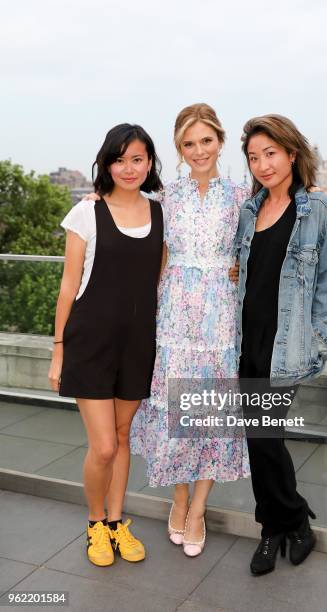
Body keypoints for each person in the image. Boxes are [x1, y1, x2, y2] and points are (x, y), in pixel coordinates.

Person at [130, 103, 250, 557]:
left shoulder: (242, 197)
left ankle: (198, 508)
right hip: (173, 315)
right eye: (188, 143)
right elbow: (134, 230)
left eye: (206, 140)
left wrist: (239, 268)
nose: (199, 150)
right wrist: (92, 200)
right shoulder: (165, 198)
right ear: (178, 149)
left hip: (220, 318)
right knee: (174, 414)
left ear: (220, 141)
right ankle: (177, 500)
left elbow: (259, 247)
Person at [232, 114, 327, 575]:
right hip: (246, 339)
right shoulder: (248, 209)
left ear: (292, 153)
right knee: (260, 436)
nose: (263, 164)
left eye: (271, 153)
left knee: (263, 434)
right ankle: (289, 523)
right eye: (254, 157)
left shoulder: (321, 211)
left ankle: (279, 525)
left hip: (287, 343)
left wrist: (317, 342)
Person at [48, 123, 164, 567]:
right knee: (104, 447)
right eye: (119, 159)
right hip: (90, 344)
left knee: (122, 437)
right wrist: (59, 349)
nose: (128, 168)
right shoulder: (85, 213)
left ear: (149, 162)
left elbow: (161, 278)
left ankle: (117, 523)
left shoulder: (161, 214)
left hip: (138, 344)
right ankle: (96, 524)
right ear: (106, 163)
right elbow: (67, 286)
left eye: (137, 159)